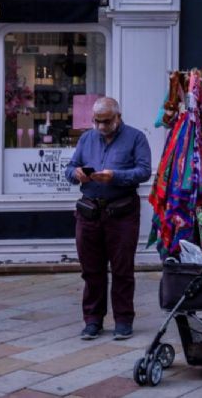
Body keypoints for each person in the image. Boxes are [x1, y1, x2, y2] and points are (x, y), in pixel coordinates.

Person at [65, 97, 152, 340]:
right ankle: (93, 320)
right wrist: (77, 174)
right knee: (91, 270)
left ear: (118, 117)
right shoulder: (86, 138)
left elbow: (144, 171)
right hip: (89, 211)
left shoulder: (136, 137)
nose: (101, 127)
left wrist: (115, 176)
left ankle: (123, 320)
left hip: (121, 212)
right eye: (97, 122)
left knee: (122, 269)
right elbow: (70, 168)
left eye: (106, 121)